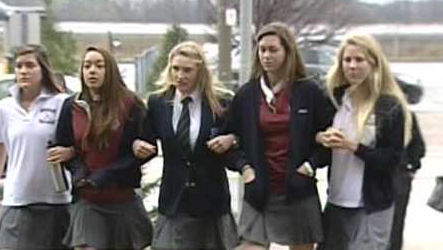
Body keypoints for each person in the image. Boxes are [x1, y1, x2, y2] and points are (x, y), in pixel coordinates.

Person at [223, 22, 330, 250]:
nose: (266, 55)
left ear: (288, 52)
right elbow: (229, 140)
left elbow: (327, 139)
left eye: (273, 50)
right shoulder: (247, 95)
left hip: (298, 189)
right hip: (259, 189)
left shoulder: (308, 92)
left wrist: (309, 166)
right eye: (262, 50)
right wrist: (245, 168)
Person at [133, 41, 242, 250]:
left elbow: (241, 138)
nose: (180, 75)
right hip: (175, 198)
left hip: (211, 198)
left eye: (187, 70)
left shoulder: (221, 103)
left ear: (200, 72)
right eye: (175, 69)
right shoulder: (158, 103)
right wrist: (138, 145)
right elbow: (147, 139)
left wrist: (232, 140)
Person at [316, 32, 413, 250]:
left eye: (359, 60)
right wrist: (321, 137)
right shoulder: (333, 99)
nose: (352, 66)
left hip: (372, 203)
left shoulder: (390, 106)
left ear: (374, 63)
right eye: (347, 60)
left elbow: (391, 159)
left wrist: (353, 146)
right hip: (337, 200)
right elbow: (314, 139)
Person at [51, 45, 153, 250]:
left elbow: (145, 149)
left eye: (99, 66)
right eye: (87, 66)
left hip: (122, 196)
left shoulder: (130, 103)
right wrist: (79, 172)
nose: (92, 71)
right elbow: (65, 147)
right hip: (88, 199)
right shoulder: (72, 105)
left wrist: (108, 174)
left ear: (111, 71)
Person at [0, 44, 71, 249]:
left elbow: (80, 144)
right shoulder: (5, 108)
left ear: (43, 70)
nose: (23, 71)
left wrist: (69, 152)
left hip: (56, 200)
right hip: (18, 199)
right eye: (19, 66)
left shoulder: (62, 103)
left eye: (30, 65)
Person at [389, 108, 426, 250]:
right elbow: (419, 146)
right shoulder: (405, 114)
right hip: (400, 172)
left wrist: (412, 166)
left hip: (397, 172)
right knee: (396, 220)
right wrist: (412, 166)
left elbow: (418, 146)